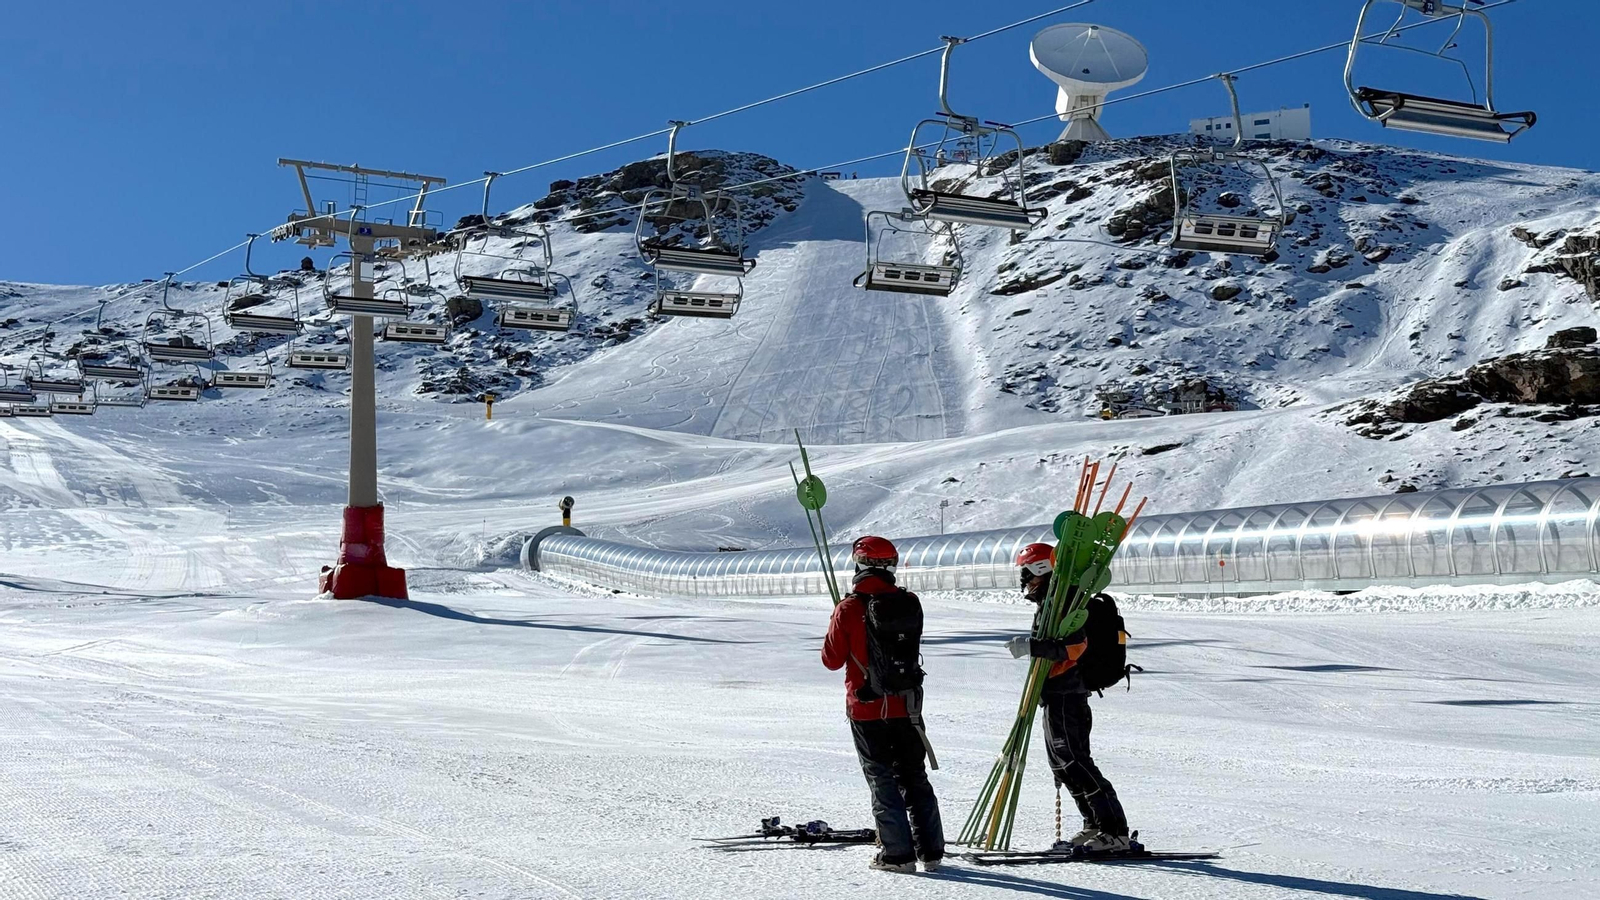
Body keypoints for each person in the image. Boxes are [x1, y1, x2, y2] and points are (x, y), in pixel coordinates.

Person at [822, 535, 945, 873]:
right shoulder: (910, 602)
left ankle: (897, 855)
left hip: (867, 708)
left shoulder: (848, 608)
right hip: (907, 706)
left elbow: (831, 660)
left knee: (882, 778)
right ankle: (931, 852)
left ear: (858, 565)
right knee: (914, 776)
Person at [1006, 542, 1131, 852]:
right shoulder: (1049, 601)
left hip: (1068, 694)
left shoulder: (1066, 602)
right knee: (1061, 764)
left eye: (1027, 573)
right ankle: (1093, 824)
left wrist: (1031, 648)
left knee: (1075, 761)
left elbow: (1074, 648)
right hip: (1054, 694)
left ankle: (1115, 831)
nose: (1025, 581)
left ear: (1039, 570)